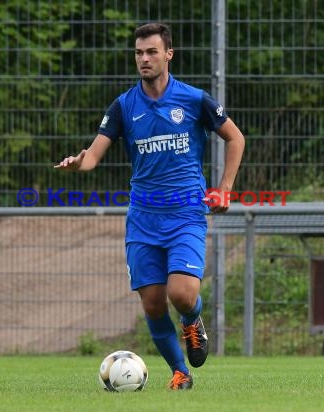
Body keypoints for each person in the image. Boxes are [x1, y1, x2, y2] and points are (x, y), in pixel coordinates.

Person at [55, 22, 245, 390]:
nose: (144, 59)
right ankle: (181, 372)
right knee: (154, 304)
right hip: (143, 217)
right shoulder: (125, 105)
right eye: (139, 53)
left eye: (151, 52)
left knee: (182, 294)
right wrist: (80, 162)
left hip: (186, 211)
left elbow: (235, 138)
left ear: (168, 54)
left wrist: (224, 189)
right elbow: (94, 154)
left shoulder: (193, 99)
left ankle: (193, 321)